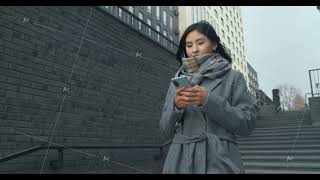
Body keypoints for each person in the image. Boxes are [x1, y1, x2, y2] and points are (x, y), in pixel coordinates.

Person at [159, 21, 257, 174]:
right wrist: (176, 107)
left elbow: (247, 124)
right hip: (179, 162)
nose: (194, 50)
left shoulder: (233, 77)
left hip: (219, 161)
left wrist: (208, 101)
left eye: (200, 42)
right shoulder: (177, 80)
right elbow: (165, 132)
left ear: (214, 44)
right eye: (189, 45)